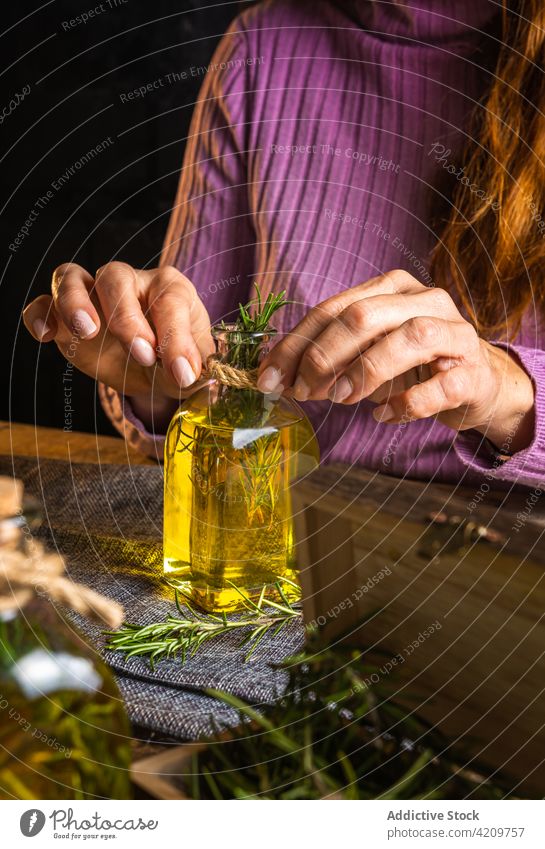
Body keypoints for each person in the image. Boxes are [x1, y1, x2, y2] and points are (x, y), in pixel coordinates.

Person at [23, 0, 545, 486]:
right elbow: (202, 395)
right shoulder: (264, 46)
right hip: (281, 529)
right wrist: (156, 379)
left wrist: (506, 392)